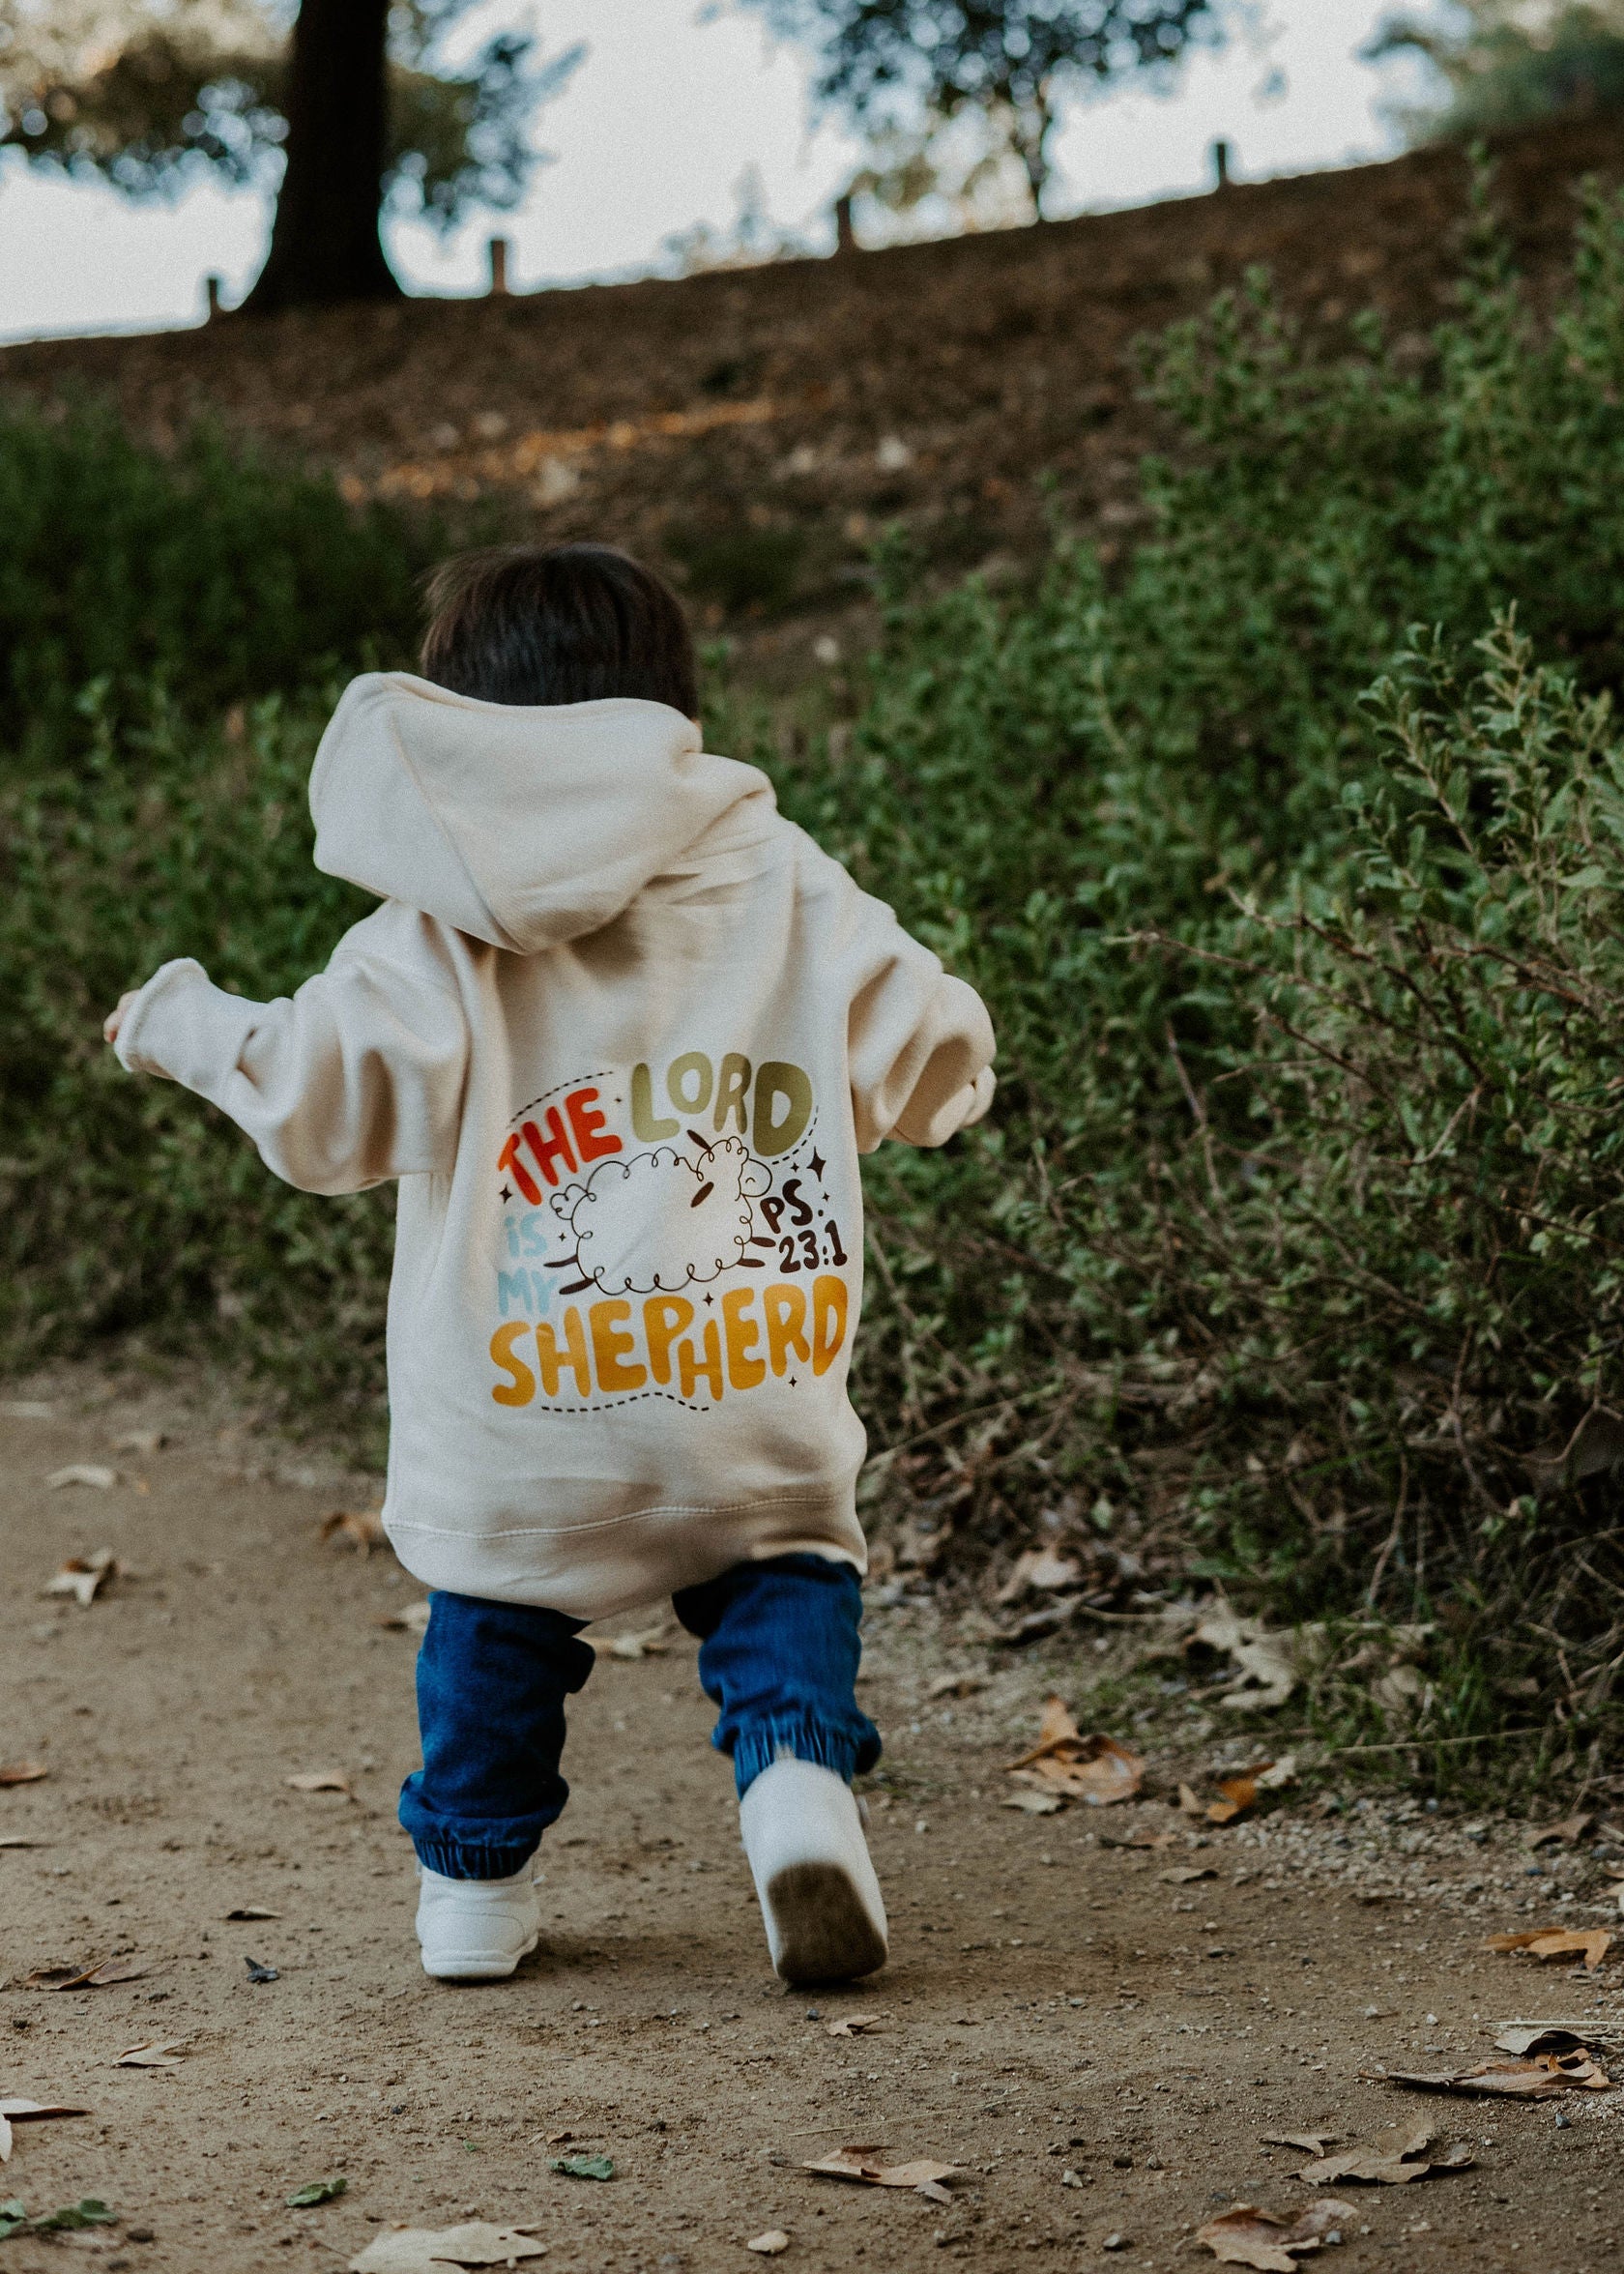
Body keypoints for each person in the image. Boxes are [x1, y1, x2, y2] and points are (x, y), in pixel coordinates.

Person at [105, 542, 996, 1987]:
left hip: (523, 1410)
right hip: (747, 1386)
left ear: (459, 716)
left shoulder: (439, 921)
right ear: (671, 702)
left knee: (496, 1622)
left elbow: (327, 1104)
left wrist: (185, 1022)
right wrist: (948, 1082)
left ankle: (470, 1886)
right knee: (786, 1568)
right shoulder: (777, 867)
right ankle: (793, 1788)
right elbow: (922, 1047)